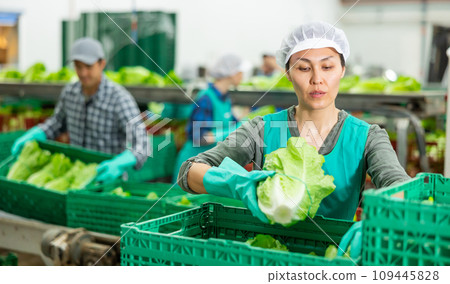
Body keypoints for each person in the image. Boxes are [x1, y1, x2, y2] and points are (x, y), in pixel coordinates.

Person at [176, 22, 411, 259]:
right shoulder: (262, 128)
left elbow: (401, 186)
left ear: (342, 70)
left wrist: (381, 218)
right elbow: (188, 172)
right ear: (288, 74)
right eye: (304, 68)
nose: (317, 79)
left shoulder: (367, 136)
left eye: (327, 66)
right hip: (268, 259)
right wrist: (238, 184)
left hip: (335, 261)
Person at [11, 37, 148, 182]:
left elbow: (143, 144)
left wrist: (120, 163)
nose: (83, 73)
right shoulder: (70, 93)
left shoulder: (119, 99)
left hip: (107, 179)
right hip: (76, 178)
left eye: (88, 67)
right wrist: (37, 133)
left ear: (102, 64)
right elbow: (56, 123)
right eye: (78, 67)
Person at [171, 53, 246, 183]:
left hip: (207, 165)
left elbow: (234, 123)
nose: (242, 75)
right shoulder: (206, 98)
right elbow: (198, 137)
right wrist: (227, 133)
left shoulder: (225, 99)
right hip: (191, 165)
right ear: (231, 73)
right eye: (240, 71)